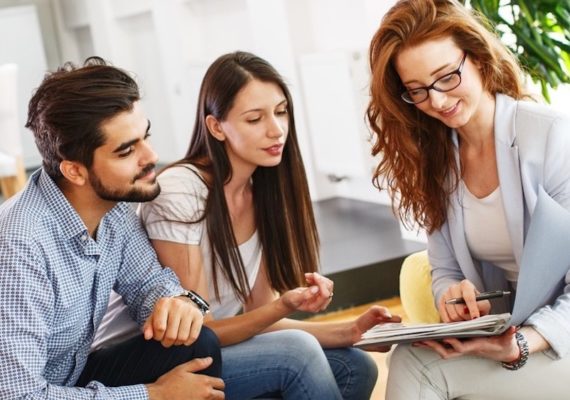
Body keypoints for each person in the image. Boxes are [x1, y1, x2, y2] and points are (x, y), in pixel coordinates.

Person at [93, 51, 398, 400]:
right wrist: (283, 305)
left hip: (207, 346)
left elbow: (261, 317)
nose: (276, 129)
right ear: (216, 127)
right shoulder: (181, 190)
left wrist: (348, 331)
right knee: (296, 355)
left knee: (357, 366)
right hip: (150, 359)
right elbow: (199, 331)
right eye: (255, 119)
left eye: (281, 112)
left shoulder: (264, 193)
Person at [366, 0, 570, 398]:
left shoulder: (552, 138)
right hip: (510, 336)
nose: (437, 101)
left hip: (555, 338)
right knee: (409, 354)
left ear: (478, 58)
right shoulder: (438, 162)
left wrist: (523, 343)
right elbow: (442, 269)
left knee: (417, 368)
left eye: (446, 78)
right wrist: (454, 297)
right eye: (418, 91)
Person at [0, 57, 225, 400]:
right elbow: (18, 395)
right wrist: (154, 395)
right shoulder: (20, 244)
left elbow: (149, 283)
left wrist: (175, 303)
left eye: (145, 137)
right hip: (29, 393)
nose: (151, 156)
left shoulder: (114, 209)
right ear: (75, 171)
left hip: (70, 377)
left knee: (196, 343)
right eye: (126, 151)